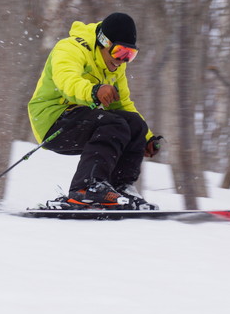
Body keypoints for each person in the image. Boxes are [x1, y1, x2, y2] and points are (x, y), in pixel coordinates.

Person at [27, 12, 162, 210]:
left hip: (85, 118)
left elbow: (122, 104)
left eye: (130, 55)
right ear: (104, 42)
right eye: (119, 52)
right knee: (113, 124)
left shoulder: (115, 67)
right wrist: (93, 91)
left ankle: (120, 188)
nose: (122, 61)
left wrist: (146, 136)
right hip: (52, 119)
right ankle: (86, 188)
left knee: (135, 125)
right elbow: (67, 80)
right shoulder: (70, 48)